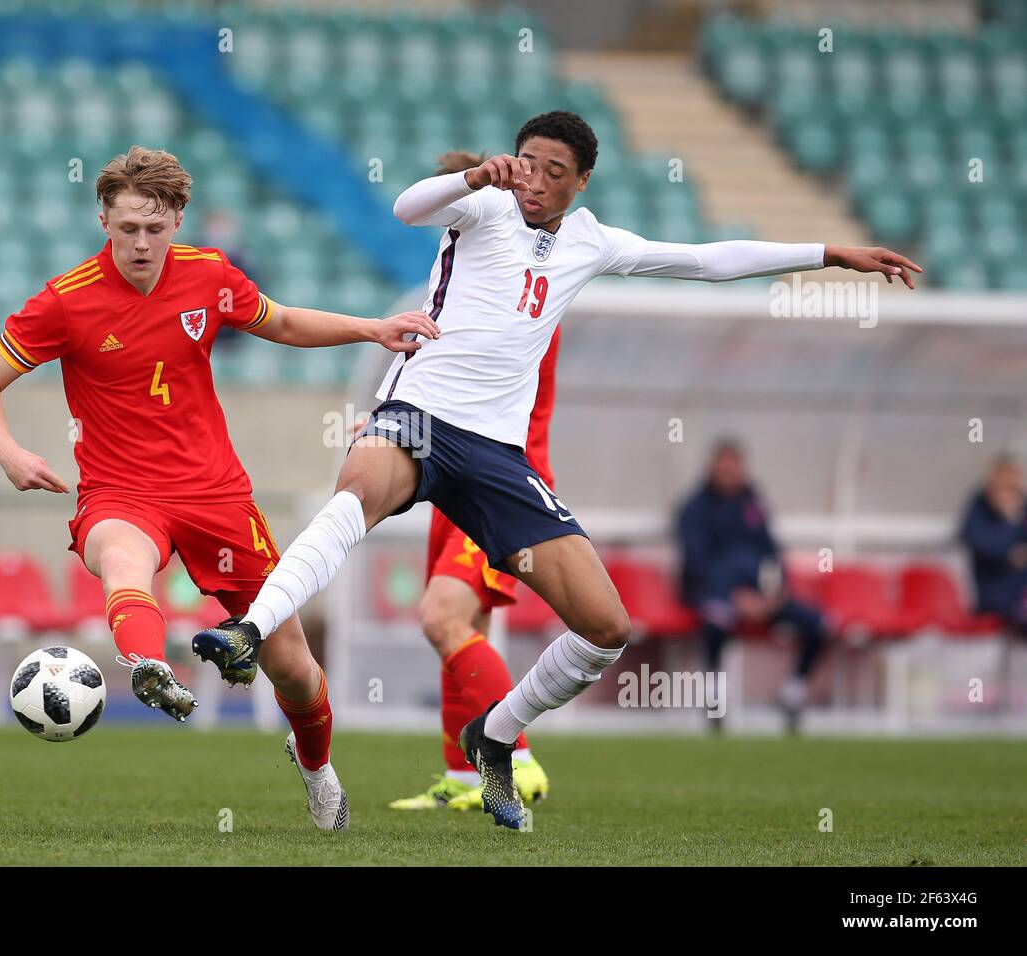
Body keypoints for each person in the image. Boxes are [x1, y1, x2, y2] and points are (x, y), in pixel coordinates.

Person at [190, 110, 922, 828]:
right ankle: (251, 631)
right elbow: (406, 205)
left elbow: (706, 261)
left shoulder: (592, 242)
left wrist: (828, 253)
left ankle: (496, 737)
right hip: (418, 413)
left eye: (555, 172)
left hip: (498, 456)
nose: (535, 181)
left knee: (606, 627)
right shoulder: (481, 205)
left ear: (581, 183)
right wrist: (475, 175)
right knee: (357, 494)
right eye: (527, 162)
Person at [0, 146, 437, 831]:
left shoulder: (210, 275)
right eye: (126, 229)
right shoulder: (64, 301)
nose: (141, 244)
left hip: (215, 494)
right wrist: (8, 453)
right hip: (119, 490)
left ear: (179, 221)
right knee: (124, 562)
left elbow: (280, 322)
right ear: (103, 219)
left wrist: (371, 328)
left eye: (154, 229)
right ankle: (151, 666)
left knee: (295, 669)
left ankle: (316, 767)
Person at [389, 150, 555, 812]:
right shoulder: (468, 282)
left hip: (495, 478)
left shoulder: (520, 290)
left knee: (443, 617)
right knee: (461, 627)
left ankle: (520, 759)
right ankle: (463, 776)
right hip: (454, 476)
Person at [676, 438, 828, 732]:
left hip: (760, 596)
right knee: (717, 619)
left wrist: (773, 592)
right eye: (724, 463)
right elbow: (696, 562)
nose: (729, 470)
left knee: (819, 623)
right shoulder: (695, 506)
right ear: (712, 465)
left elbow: (771, 552)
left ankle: (792, 694)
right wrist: (735, 597)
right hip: (715, 593)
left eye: (735, 464)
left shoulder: (753, 503)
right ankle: (715, 696)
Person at [960, 453, 1027, 635]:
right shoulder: (979, 506)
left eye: (1012, 476)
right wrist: (1009, 521)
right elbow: (984, 545)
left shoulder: (1022, 506)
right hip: (994, 595)